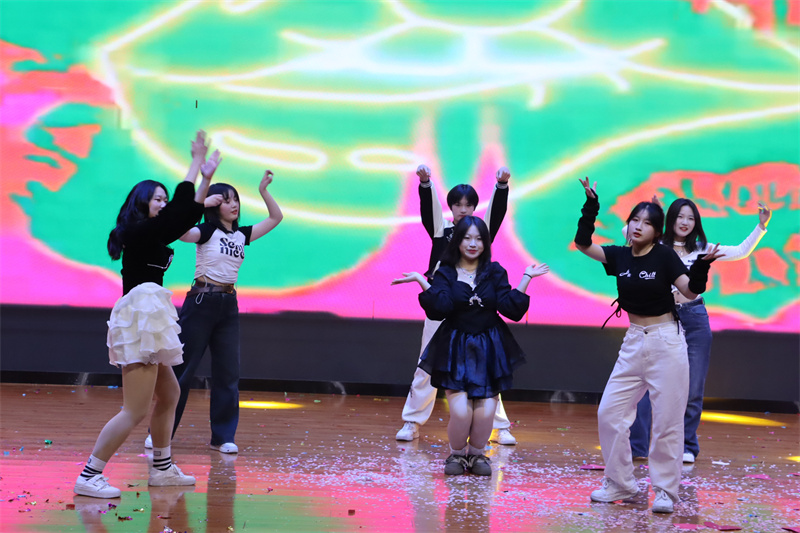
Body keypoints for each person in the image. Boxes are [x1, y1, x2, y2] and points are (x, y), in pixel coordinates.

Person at [74, 131, 214, 498]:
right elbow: (179, 216)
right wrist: (196, 165)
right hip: (140, 317)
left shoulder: (153, 231)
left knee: (169, 394)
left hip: (148, 315)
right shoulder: (137, 231)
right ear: (142, 202)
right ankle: (90, 474)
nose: (163, 204)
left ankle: (163, 469)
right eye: (157, 199)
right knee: (134, 410)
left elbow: (183, 216)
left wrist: (204, 179)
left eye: (165, 199)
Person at [573, 178, 722, 513]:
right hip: (632, 342)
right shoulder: (619, 256)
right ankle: (620, 482)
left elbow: (691, 291)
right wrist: (591, 206)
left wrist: (701, 267)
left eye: (647, 223)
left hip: (666, 341)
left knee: (667, 420)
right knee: (609, 413)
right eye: (634, 220)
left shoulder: (665, 256)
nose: (638, 226)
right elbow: (583, 244)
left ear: (657, 232)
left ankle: (666, 491)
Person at [393, 216, 548, 476]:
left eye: (478, 239)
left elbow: (509, 308)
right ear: (458, 241)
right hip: (455, 348)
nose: (473, 244)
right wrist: (422, 280)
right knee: (461, 411)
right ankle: (456, 454)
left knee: (486, 412)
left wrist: (526, 278)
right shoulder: (446, 272)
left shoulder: (495, 271)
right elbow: (440, 308)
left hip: (488, 348)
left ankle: (476, 455)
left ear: (485, 242)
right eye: (467, 238)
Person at [144, 169, 283, 453]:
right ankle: (160, 433)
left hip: (228, 305)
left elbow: (275, 218)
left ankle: (223, 437)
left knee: (228, 373)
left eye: (236, 200)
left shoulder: (242, 235)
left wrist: (264, 191)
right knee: (182, 370)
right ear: (215, 205)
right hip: (201, 302)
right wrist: (199, 204)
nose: (233, 205)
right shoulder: (206, 231)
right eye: (226, 200)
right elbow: (181, 232)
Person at [629, 198, 771, 463]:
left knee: (693, 387)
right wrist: (654, 215)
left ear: (696, 223)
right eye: (680, 217)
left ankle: (687, 446)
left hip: (694, 319)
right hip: (662, 319)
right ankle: (637, 446)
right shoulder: (655, 247)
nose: (685, 222)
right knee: (647, 385)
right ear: (670, 219)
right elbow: (628, 232)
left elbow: (741, 251)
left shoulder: (702, 249)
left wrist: (761, 226)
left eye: (691, 218)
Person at [396, 164, 518, 446]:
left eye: (468, 205)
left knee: (484, 368)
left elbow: (496, 214)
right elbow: (429, 211)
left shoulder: (480, 233)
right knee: (426, 365)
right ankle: (412, 422)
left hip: (473, 311)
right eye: (457, 204)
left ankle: (499, 426)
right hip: (442, 306)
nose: (463, 209)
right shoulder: (443, 230)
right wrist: (425, 183)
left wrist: (501, 186)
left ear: (475, 207)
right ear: (451, 207)